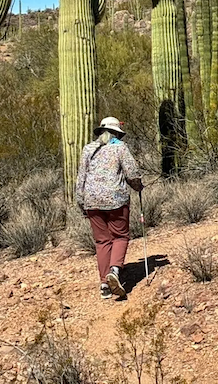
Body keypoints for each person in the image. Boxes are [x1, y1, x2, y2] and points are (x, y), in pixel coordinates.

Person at [75, 116, 143, 300]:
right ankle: (114, 270)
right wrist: (138, 186)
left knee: (102, 241)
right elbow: (132, 173)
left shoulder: (88, 149)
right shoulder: (120, 148)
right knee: (120, 236)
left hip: (91, 201)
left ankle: (104, 284)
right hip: (116, 200)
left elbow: (81, 178)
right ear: (116, 133)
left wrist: (81, 202)